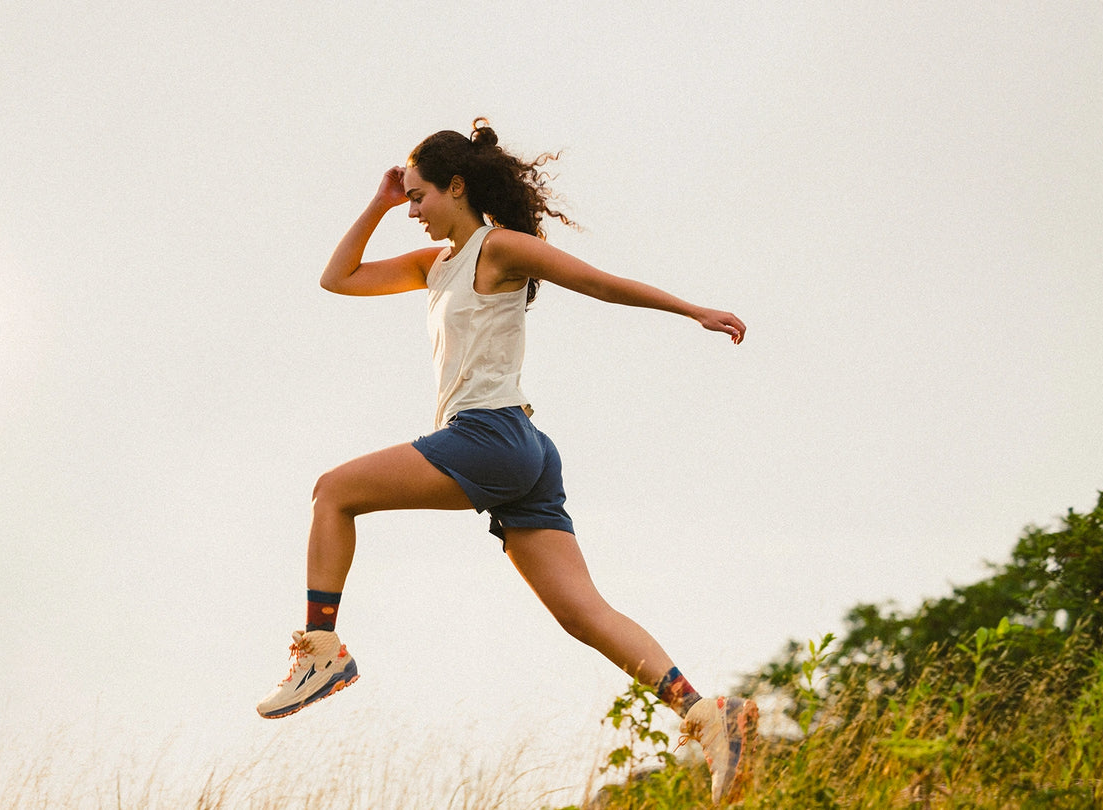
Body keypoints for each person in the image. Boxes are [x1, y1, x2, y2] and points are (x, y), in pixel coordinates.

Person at [255, 118, 757, 803]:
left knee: (332, 491)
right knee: (582, 613)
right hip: (523, 451)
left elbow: (601, 284)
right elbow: (335, 279)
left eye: (419, 197)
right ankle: (705, 712)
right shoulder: (434, 266)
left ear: (456, 187)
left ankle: (321, 653)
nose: (412, 211)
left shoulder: (500, 249)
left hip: (490, 436)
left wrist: (691, 310)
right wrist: (376, 202)